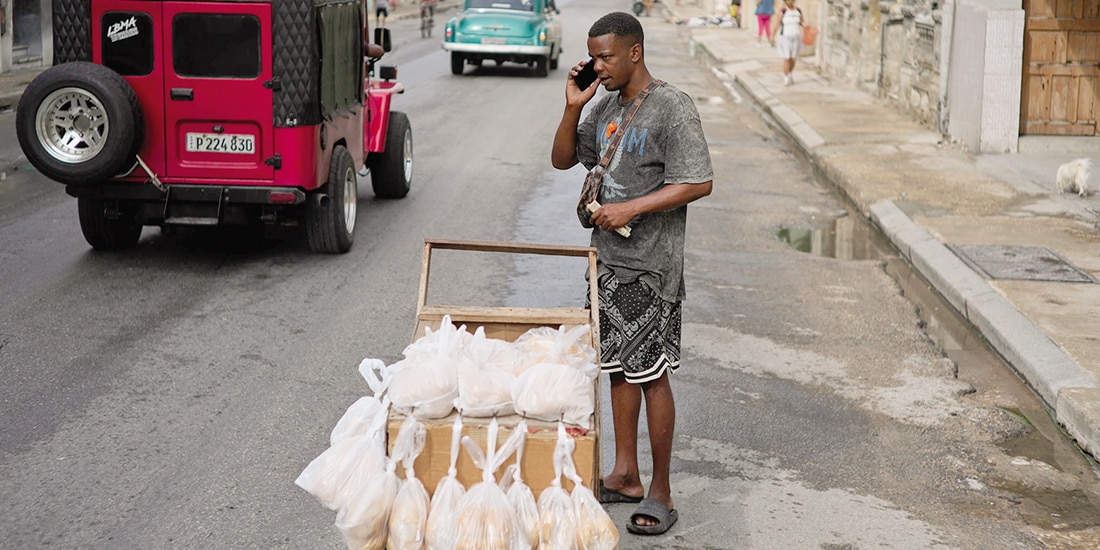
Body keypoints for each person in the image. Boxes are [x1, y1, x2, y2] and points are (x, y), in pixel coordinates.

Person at [551, 11, 713, 537]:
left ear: (635, 52)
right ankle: (625, 473)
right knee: (618, 367)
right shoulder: (603, 106)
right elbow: (562, 160)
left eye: (606, 57)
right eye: (593, 57)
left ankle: (661, 490)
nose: (597, 66)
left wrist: (632, 209)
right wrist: (573, 107)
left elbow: (698, 181)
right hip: (608, 264)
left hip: (651, 269)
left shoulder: (672, 108)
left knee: (650, 374)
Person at [773, 0, 805, 85]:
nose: (790, 1)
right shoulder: (783, 11)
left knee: (793, 58)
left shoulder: (798, 11)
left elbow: (801, 21)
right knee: (787, 58)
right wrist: (773, 35)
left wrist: (805, 25)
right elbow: (777, 23)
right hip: (785, 37)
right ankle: (786, 77)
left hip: (796, 37)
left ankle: (790, 73)